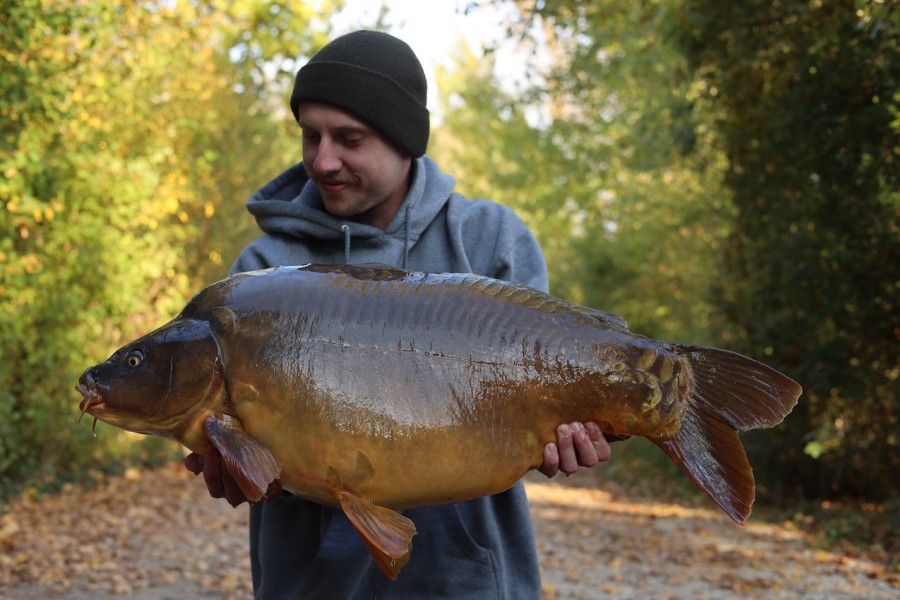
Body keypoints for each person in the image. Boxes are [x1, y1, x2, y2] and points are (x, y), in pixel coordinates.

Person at [185, 29, 611, 599]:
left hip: (469, 585)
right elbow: (254, 457)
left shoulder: (489, 240)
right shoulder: (262, 275)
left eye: (349, 138)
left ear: (404, 139)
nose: (323, 160)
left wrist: (568, 435)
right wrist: (243, 472)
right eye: (310, 136)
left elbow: (549, 401)